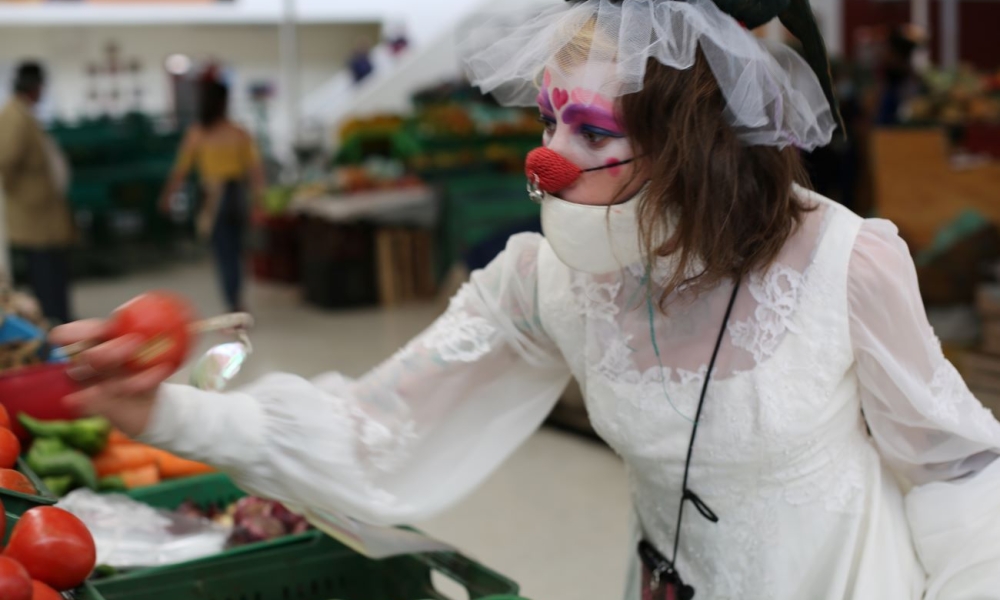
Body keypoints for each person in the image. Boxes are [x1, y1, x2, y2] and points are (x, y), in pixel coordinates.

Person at [54, 1, 1000, 598]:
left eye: (592, 131)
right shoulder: (544, 278)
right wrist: (167, 410)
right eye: (549, 118)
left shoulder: (845, 261)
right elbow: (373, 427)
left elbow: (960, 469)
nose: (548, 158)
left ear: (693, 143)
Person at [159, 78, 265, 313]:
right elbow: (255, 171)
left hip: (215, 198)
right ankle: (236, 300)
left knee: (225, 252)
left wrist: (167, 196)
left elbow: (181, 170)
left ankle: (232, 303)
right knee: (236, 251)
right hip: (235, 196)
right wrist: (259, 200)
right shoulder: (238, 132)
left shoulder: (198, 133)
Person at [0, 62, 74, 325]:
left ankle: (61, 320)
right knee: (44, 274)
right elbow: (6, 159)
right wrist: (20, 191)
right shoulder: (14, 116)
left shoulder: (24, 113)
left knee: (53, 271)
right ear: (33, 87)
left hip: (43, 211)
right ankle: (54, 324)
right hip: (33, 212)